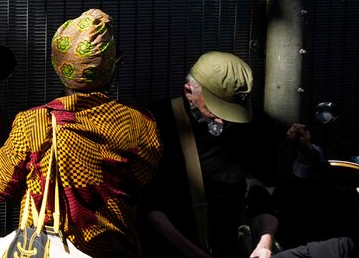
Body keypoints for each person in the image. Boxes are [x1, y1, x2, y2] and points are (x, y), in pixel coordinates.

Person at [0, 8, 163, 257]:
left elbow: (0, 186)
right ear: (113, 66)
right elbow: (144, 177)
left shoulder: (34, 122)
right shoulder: (140, 122)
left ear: (57, 64)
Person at [141, 51, 357, 258]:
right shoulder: (156, 123)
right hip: (170, 245)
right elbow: (148, 205)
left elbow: (262, 192)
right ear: (189, 92)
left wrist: (264, 243)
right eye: (217, 109)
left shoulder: (256, 125)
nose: (225, 119)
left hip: (229, 243)